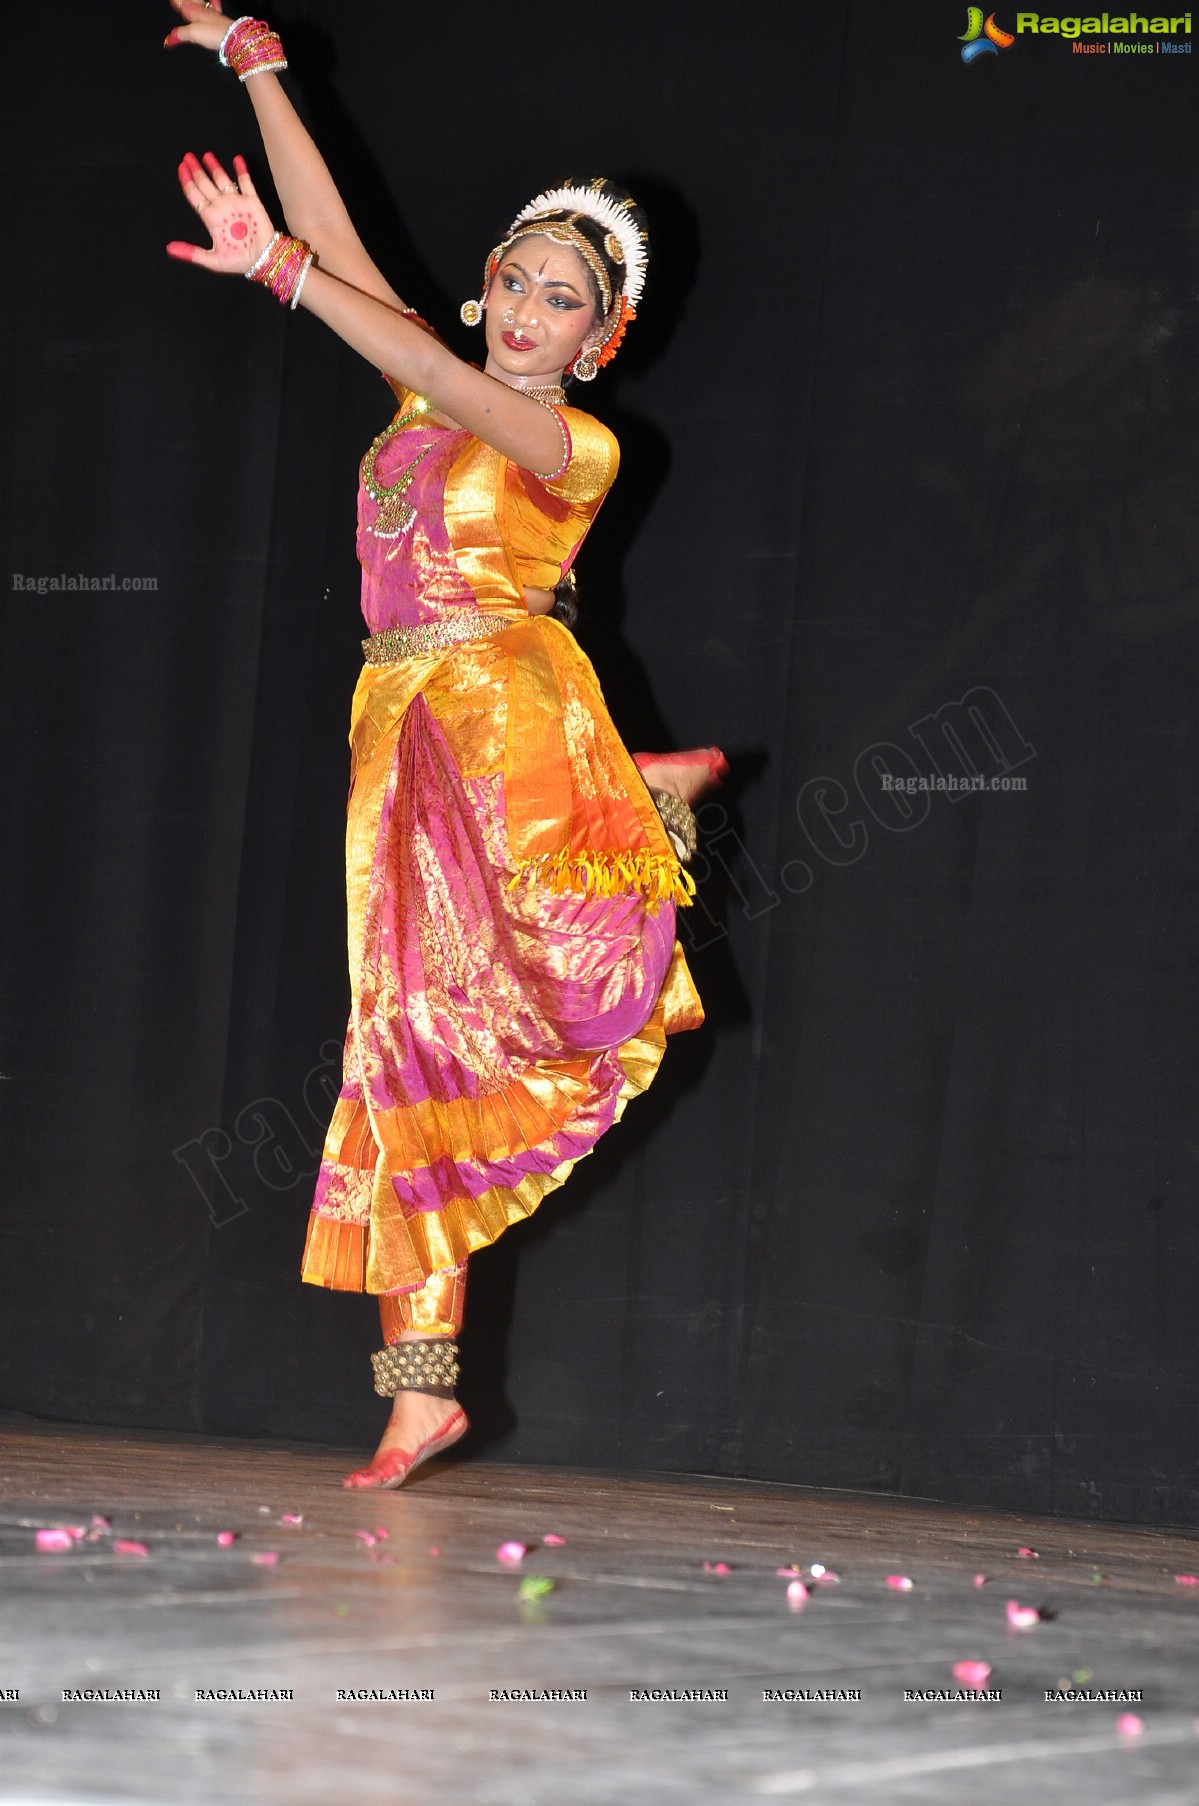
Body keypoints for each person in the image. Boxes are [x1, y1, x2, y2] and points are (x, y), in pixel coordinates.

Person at [164, 2, 726, 1489]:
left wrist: (285, 278)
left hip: (505, 712)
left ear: (597, 341)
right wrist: (259, 67)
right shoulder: (427, 383)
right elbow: (340, 252)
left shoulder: (575, 444)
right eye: (518, 282)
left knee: (524, 1002)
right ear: (482, 297)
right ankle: (423, 1393)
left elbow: (353, 305)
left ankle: (627, 805)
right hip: (398, 731)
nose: (535, 308)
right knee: (409, 1037)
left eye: (568, 299)